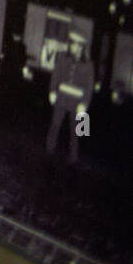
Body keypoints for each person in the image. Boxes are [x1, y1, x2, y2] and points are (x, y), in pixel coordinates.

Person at [45, 30, 95, 166]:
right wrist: (52, 91)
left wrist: (84, 104)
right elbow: (55, 76)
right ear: (70, 46)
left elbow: (89, 87)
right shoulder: (62, 58)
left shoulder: (89, 65)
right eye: (73, 45)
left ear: (83, 48)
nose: (76, 48)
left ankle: (74, 159)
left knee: (77, 132)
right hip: (61, 98)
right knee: (54, 126)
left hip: (77, 103)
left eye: (79, 45)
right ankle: (49, 154)